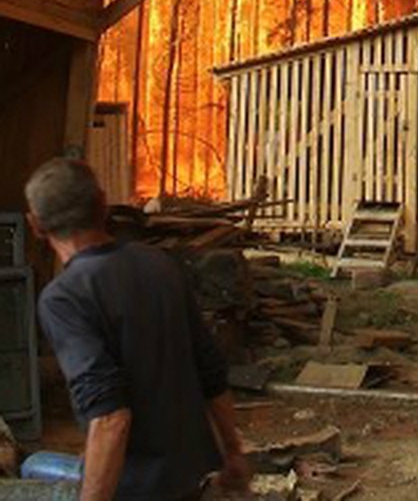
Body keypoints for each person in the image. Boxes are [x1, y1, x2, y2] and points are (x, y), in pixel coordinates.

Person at [24, 158, 251, 501]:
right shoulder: (158, 264)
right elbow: (210, 370)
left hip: (132, 489)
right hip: (187, 481)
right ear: (103, 205)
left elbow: (111, 417)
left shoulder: (64, 298)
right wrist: (233, 452)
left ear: (36, 225)